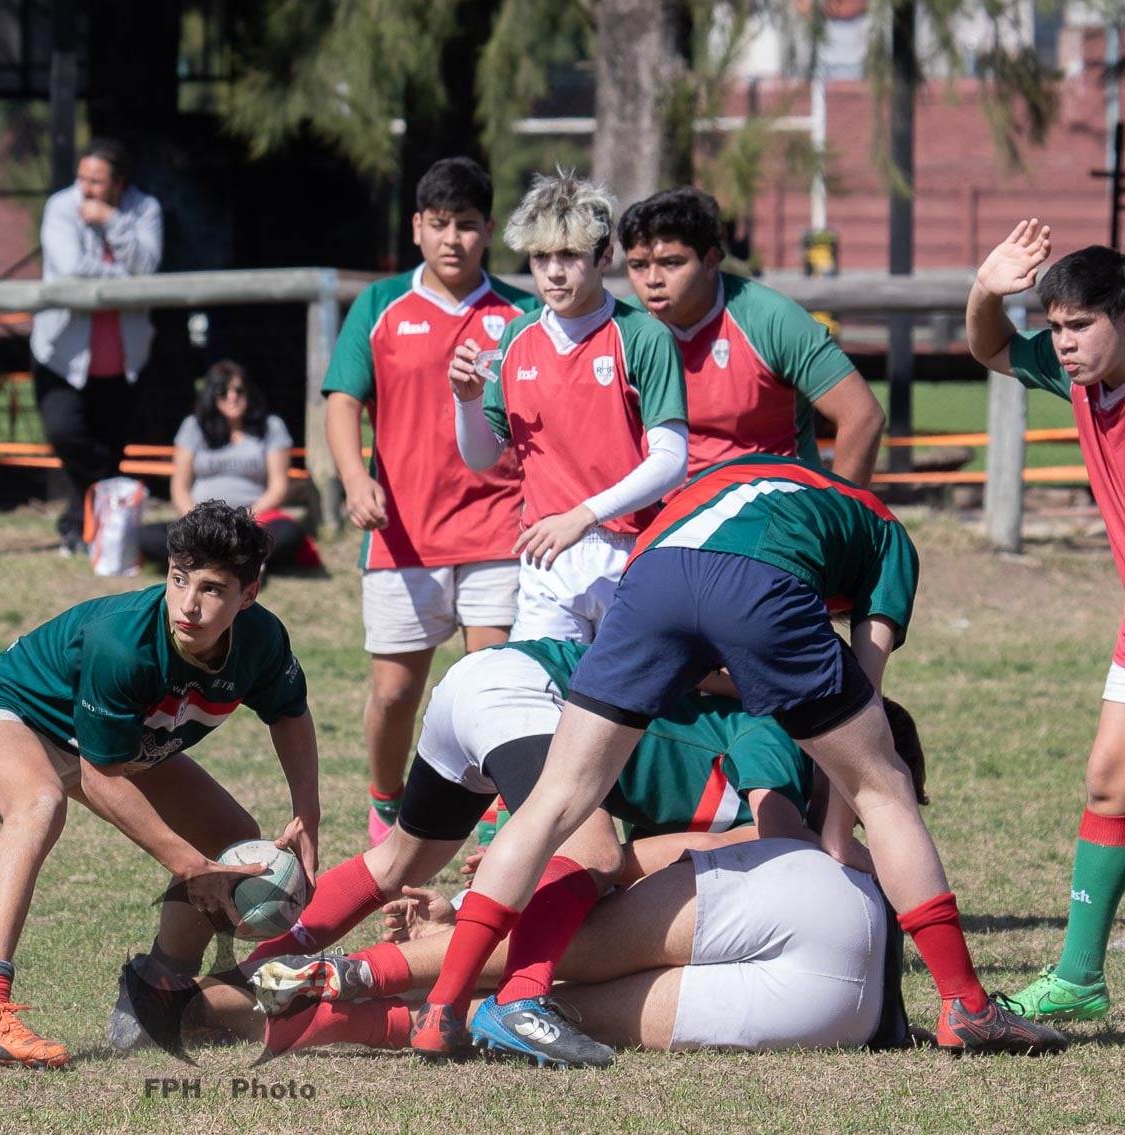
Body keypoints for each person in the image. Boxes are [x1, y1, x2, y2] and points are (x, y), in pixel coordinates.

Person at [410, 453, 1068, 1057]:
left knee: (557, 797)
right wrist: (839, 838)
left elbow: (691, 588)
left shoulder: (746, 478)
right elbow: (869, 690)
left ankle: (442, 1010)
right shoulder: (886, 533)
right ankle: (967, 1004)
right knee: (885, 785)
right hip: (756, 580)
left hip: (652, 571)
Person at [240, 637, 846, 1066]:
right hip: (528, 688)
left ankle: (257, 972)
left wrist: (467, 899)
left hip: (486, 683)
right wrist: (841, 851)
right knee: (595, 853)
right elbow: (777, 840)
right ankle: (519, 1001)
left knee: (399, 862)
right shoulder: (777, 735)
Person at [0, 500, 319, 1067]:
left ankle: (158, 989)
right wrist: (188, 865)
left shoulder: (261, 641)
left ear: (249, 595)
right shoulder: (124, 644)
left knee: (230, 834)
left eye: (211, 589)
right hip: (2, 709)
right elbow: (101, 775)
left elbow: (289, 714)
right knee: (38, 803)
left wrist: (307, 814)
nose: (187, 604)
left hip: (109, 743)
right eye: (179, 579)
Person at [198, 838, 903, 1058]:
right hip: (856, 1013)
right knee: (569, 1011)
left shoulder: (637, 683)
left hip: (817, 892)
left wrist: (476, 919)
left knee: (572, 944)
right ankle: (342, 1013)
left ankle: (341, 974)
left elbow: (608, 857)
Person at [323, 156, 539, 846]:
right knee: (394, 694)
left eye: (468, 225)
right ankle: (386, 803)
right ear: (417, 227)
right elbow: (342, 401)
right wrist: (356, 482)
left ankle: (502, 820)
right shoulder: (381, 304)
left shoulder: (523, 313)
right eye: (440, 224)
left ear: (490, 231)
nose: (453, 239)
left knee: (496, 684)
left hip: (501, 530)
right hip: (402, 535)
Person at [967, 221, 1125, 1022]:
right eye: (1055, 326)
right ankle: (1079, 976)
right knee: (1110, 779)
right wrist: (988, 288)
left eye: (1080, 325)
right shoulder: (1084, 384)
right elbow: (991, 349)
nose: (1061, 342)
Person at [451, 169, 688, 645]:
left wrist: (583, 515)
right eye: (540, 257)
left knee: (634, 715)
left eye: (569, 255)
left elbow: (672, 462)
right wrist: (468, 402)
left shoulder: (644, 336)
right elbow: (481, 457)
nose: (553, 272)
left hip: (631, 552)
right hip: (546, 557)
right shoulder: (517, 337)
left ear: (605, 257)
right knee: (539, 706)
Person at [617, 187, 886, 483]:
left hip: (770, 510)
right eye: (639, 266)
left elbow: (863, 417)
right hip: (663, 515)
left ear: (710, 261)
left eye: (671, 263)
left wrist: (840, 518)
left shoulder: (771, 319)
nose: (652, 280)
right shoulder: (621, 326)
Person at [29, 138, 164, 557]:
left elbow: (148, 264)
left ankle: (85, 533)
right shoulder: (60, 207)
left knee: (112, 441)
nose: (85, 188)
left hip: (123, 360)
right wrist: (125, 279)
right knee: (67, 434)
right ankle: (104, 500)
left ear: (119, 184)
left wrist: (110, 221)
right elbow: (70, 269)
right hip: (61, 354)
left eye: (96, 181)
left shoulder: (146, 210)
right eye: (81, 178)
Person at [138, 361, 317, 572]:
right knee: (145, 536)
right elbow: (180, 487)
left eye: (239, 390)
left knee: (289, 533)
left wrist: (243, 518)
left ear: (249, 393)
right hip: (202, 523)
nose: (232, 397)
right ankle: (240, 560)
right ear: (212, 395)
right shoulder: (194, 427)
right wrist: (200, 520)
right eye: (223, 391)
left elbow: (278, 487)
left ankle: (211, 558)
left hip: (252, 522)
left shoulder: (270, 427)